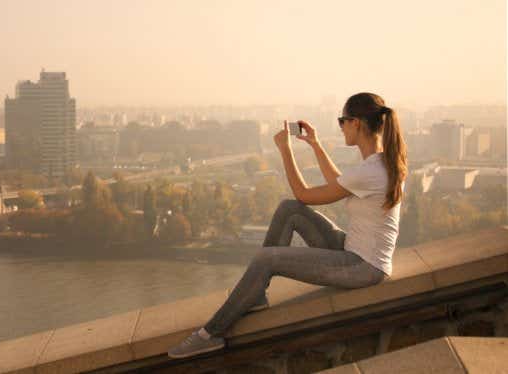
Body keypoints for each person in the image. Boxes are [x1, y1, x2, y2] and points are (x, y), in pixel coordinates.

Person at [168, 92, 408, 359]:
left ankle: (209, 334)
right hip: (355, 251)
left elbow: (305, 194)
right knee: (289, 210)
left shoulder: (371, 171)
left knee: (266, 259)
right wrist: (315, 145)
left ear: (357, 123)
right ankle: (256, 295)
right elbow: (338, 183)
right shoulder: (378, 164)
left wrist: (285, 150)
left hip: (364, 267)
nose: (340, 127)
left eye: (342, 121)